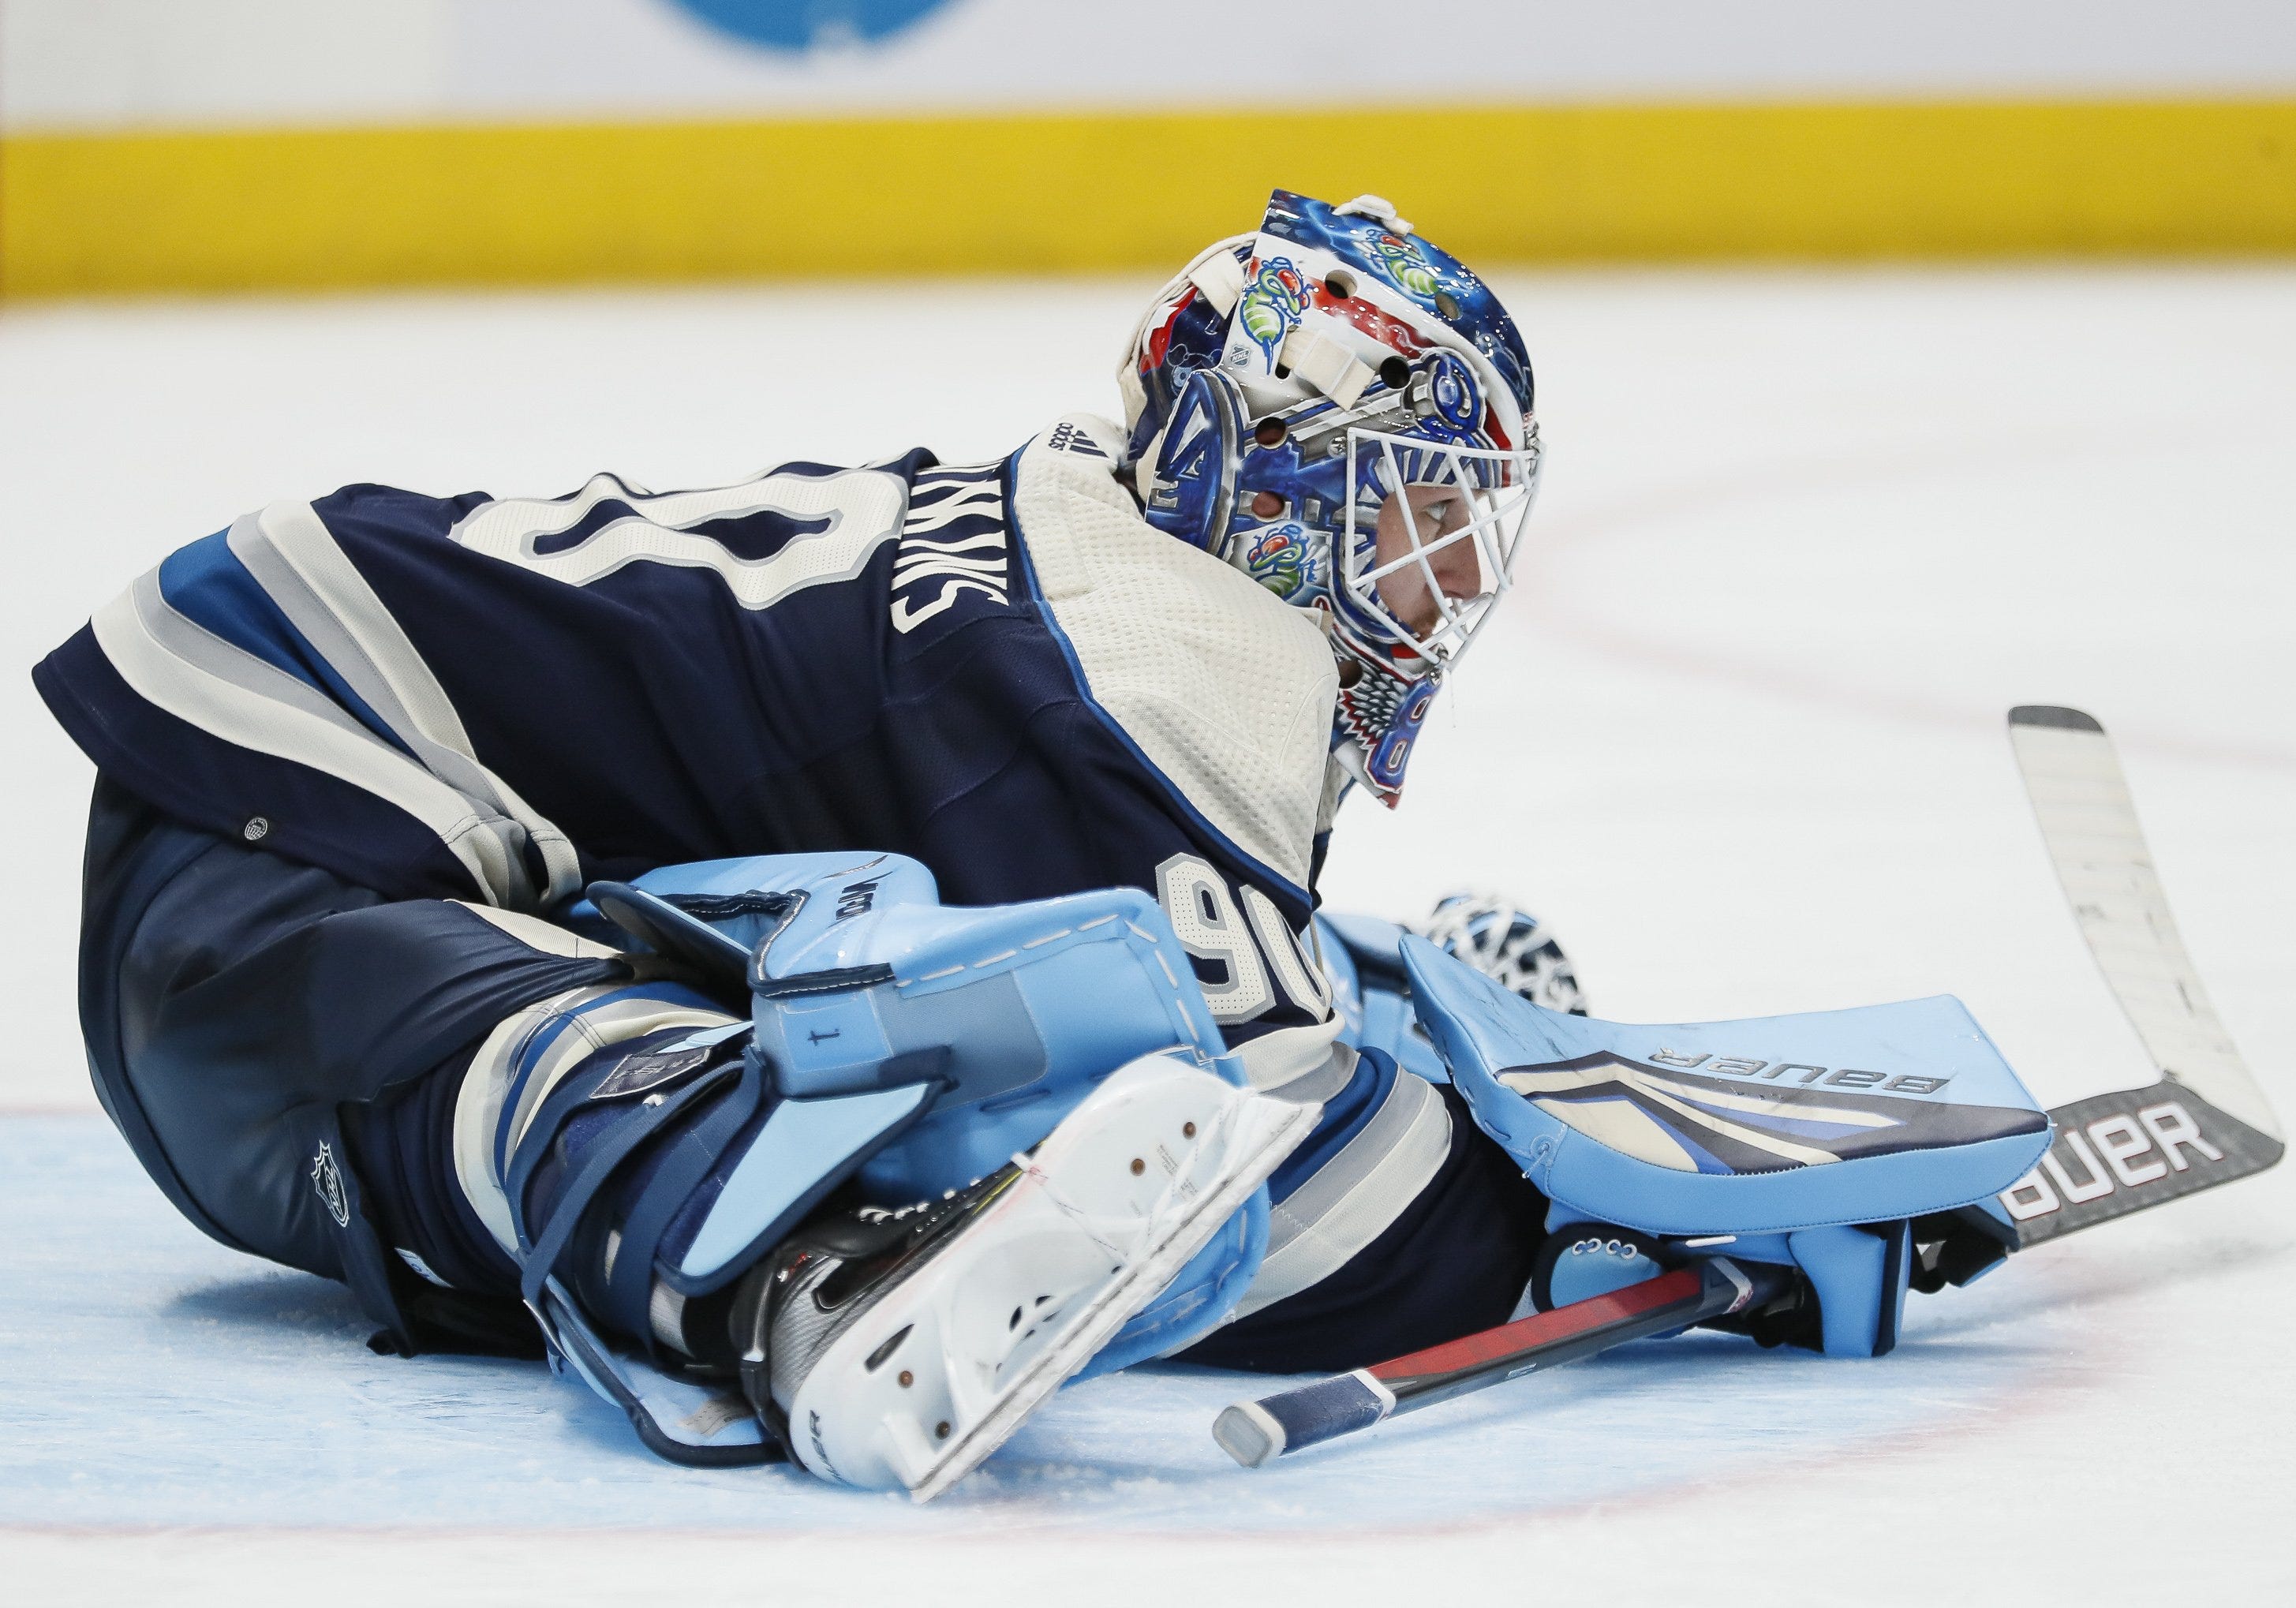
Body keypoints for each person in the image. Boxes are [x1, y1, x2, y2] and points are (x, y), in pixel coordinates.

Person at [33, 189, 1572, 1499]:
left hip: (313, 777)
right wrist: (1567, 1211)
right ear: (1269, 474)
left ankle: (1376, 977)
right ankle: (794, 1281)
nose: (1436, 586)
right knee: (630, 1076)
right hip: (258, 855)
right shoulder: (1150, 673)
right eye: (1409, 518)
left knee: (905, 983)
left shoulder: (1087, 571)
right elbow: (1337, 1231)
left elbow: (1153, 984)